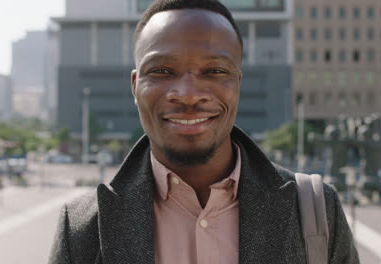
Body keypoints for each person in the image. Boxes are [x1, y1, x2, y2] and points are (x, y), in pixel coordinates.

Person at [48, 0, 359, 263]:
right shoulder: (82, 227)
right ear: (135, 86)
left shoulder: (314, 209)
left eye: (214, 71)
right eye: (161, 71)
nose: (188, 94)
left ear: (238, 83)